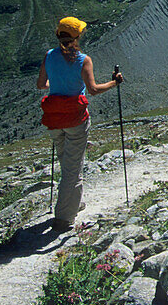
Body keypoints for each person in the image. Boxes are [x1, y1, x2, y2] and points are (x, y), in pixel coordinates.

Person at [37, 16, 123, 231]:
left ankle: (74, 203)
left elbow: (41, 85)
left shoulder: (49, 55)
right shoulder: (83, 59)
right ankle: (64, 218)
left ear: (59, 35)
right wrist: (115, 82)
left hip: (54, 118)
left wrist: (56, 82)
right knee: (72, 169)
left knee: (66, 161)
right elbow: (92, 89)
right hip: (75, 117)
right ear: (77, 37)